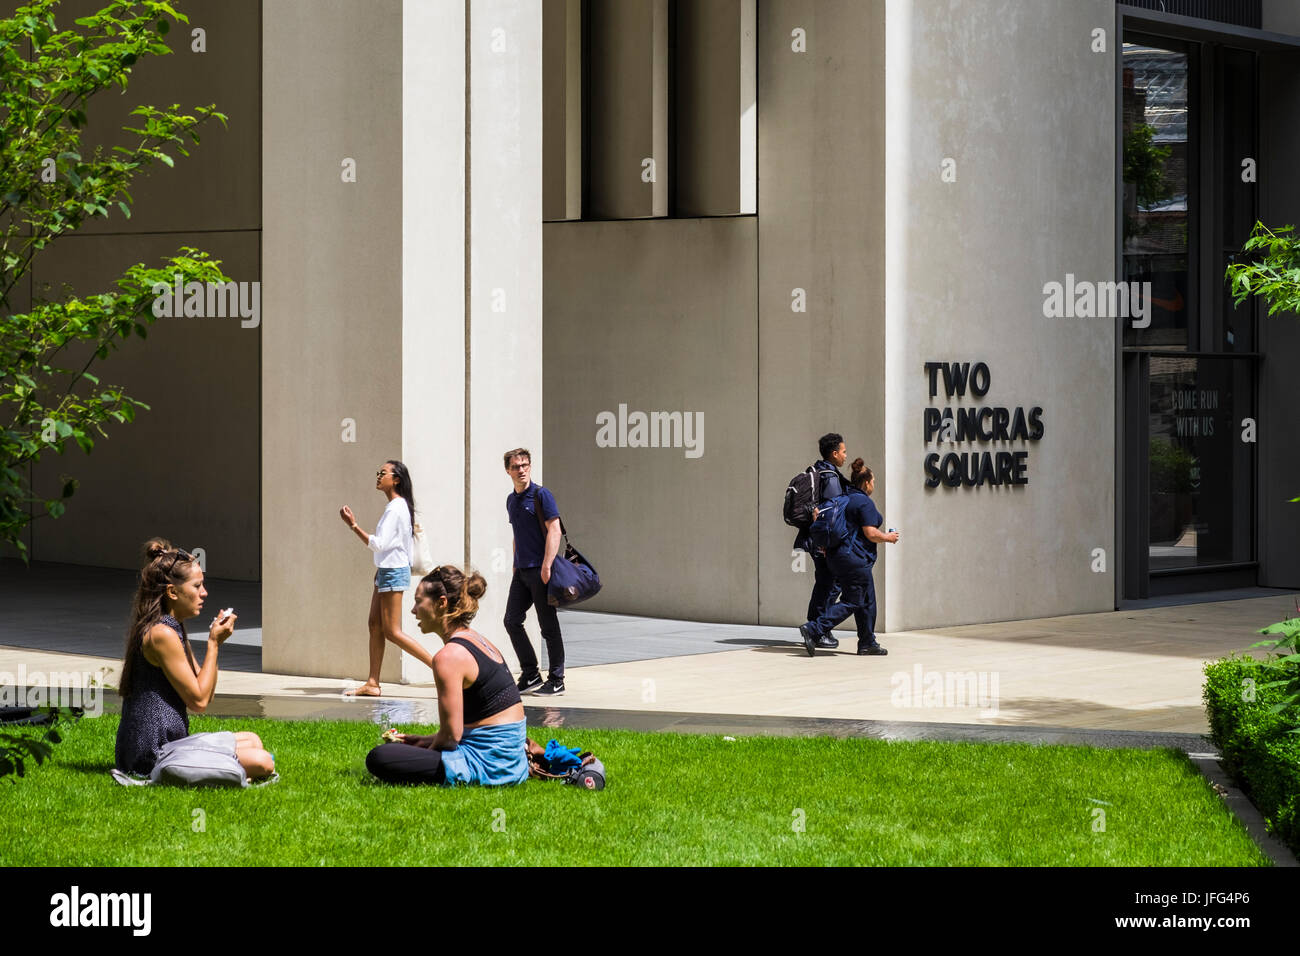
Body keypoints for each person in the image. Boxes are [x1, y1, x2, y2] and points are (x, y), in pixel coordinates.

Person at [114, 539, 275, 779]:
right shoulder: (162, 634)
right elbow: (198, 702)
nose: (204, 593)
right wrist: (213, 645)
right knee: (262, 761)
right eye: (197, 586)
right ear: (172, 592)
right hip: (153, 756)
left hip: (172, 745)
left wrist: (215, 644)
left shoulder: (172, 627)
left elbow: (204, 691)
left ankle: (220, 766)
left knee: (253, 739)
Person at [365, 566, 529, 786]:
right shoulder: (478, 640)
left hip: (489, 766)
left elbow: (451, 737)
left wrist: (429, 751)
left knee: (380, 757)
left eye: (418, 601)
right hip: (512, 763)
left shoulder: (448, 658)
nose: (413, 610)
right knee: (401, 749)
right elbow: (468, 728)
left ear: (442, 603)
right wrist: (422, 741)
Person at [339, 460, 430, 696]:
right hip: (385, 571)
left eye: (383, 473)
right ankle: (372, 683)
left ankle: (440, 666)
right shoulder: (397, 506)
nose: (378, 476)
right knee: (374, 624)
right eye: (377, 472)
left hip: (392, 571)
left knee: (392, 631)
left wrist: (353, 525)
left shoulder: (396, 508)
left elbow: (378, 544)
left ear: (396, 479)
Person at [797, 459, 899, 657]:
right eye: (873, 481)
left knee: (867, 599)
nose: (874, 484)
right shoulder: (864, 502)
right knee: (852, 600)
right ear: (867, 482)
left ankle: (868, 643)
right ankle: (814, 628)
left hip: (837, 558)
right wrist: (888, 537)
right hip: (855, 559)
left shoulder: (842, 498)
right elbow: (870, 532)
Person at [793, 432, 868, 650]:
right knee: (829, 585)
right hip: (823, 540)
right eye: (843, 452)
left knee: (825, 584)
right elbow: (832, 511)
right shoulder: (831, 477)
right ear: (834, 453)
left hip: (815, 537)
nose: (846, 456)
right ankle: (818, 630)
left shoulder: (816, 470)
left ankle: (816, 627)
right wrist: (829, 545)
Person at [501, 447, 566, 696]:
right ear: (508, 470)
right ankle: (530, 674)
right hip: (522, 571)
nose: (522, 470)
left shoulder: (541, 495)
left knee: (547, 625)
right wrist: (515, 563)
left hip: (541, 570)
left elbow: (555, 530)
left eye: (525, 465)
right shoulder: (511, 500)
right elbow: (518, 533)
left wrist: (547, 565)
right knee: (511, 620)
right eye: (516, 466)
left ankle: (557, 679)